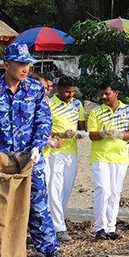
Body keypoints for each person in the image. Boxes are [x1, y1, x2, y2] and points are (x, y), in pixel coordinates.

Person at [0, 42, 58, 257]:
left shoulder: (35, 89)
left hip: (30, 159)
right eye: (21, 64)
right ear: (6, 65)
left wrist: (38, 146)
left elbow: (44, 120)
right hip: (2, 161)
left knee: (39, 209)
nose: (25, 68)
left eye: (28, 63)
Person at [87, 79, 129, 240]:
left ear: (116, 93)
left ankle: (111, 227)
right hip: (100, 156)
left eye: (107, 93)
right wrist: (103, 134)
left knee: (115, 192)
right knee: (103, 189)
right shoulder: (96, 112)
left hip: (120, 158)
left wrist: (120, 134)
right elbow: (91, 135)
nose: (103, 96)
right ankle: (100, 227)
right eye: (102, 94)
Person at [45, 76, 88, 241]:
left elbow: (82, 128)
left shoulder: (78, 104)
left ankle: (55, 220)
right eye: (67, 92)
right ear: (59, 89)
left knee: (66, 188)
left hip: (72, 151)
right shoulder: (49, 103)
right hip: (55, 151)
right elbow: (45, 129)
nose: (71, 95)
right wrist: (60, 134)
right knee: (54, 188)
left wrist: (79, 134)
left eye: (72, 91)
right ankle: (58, 227)